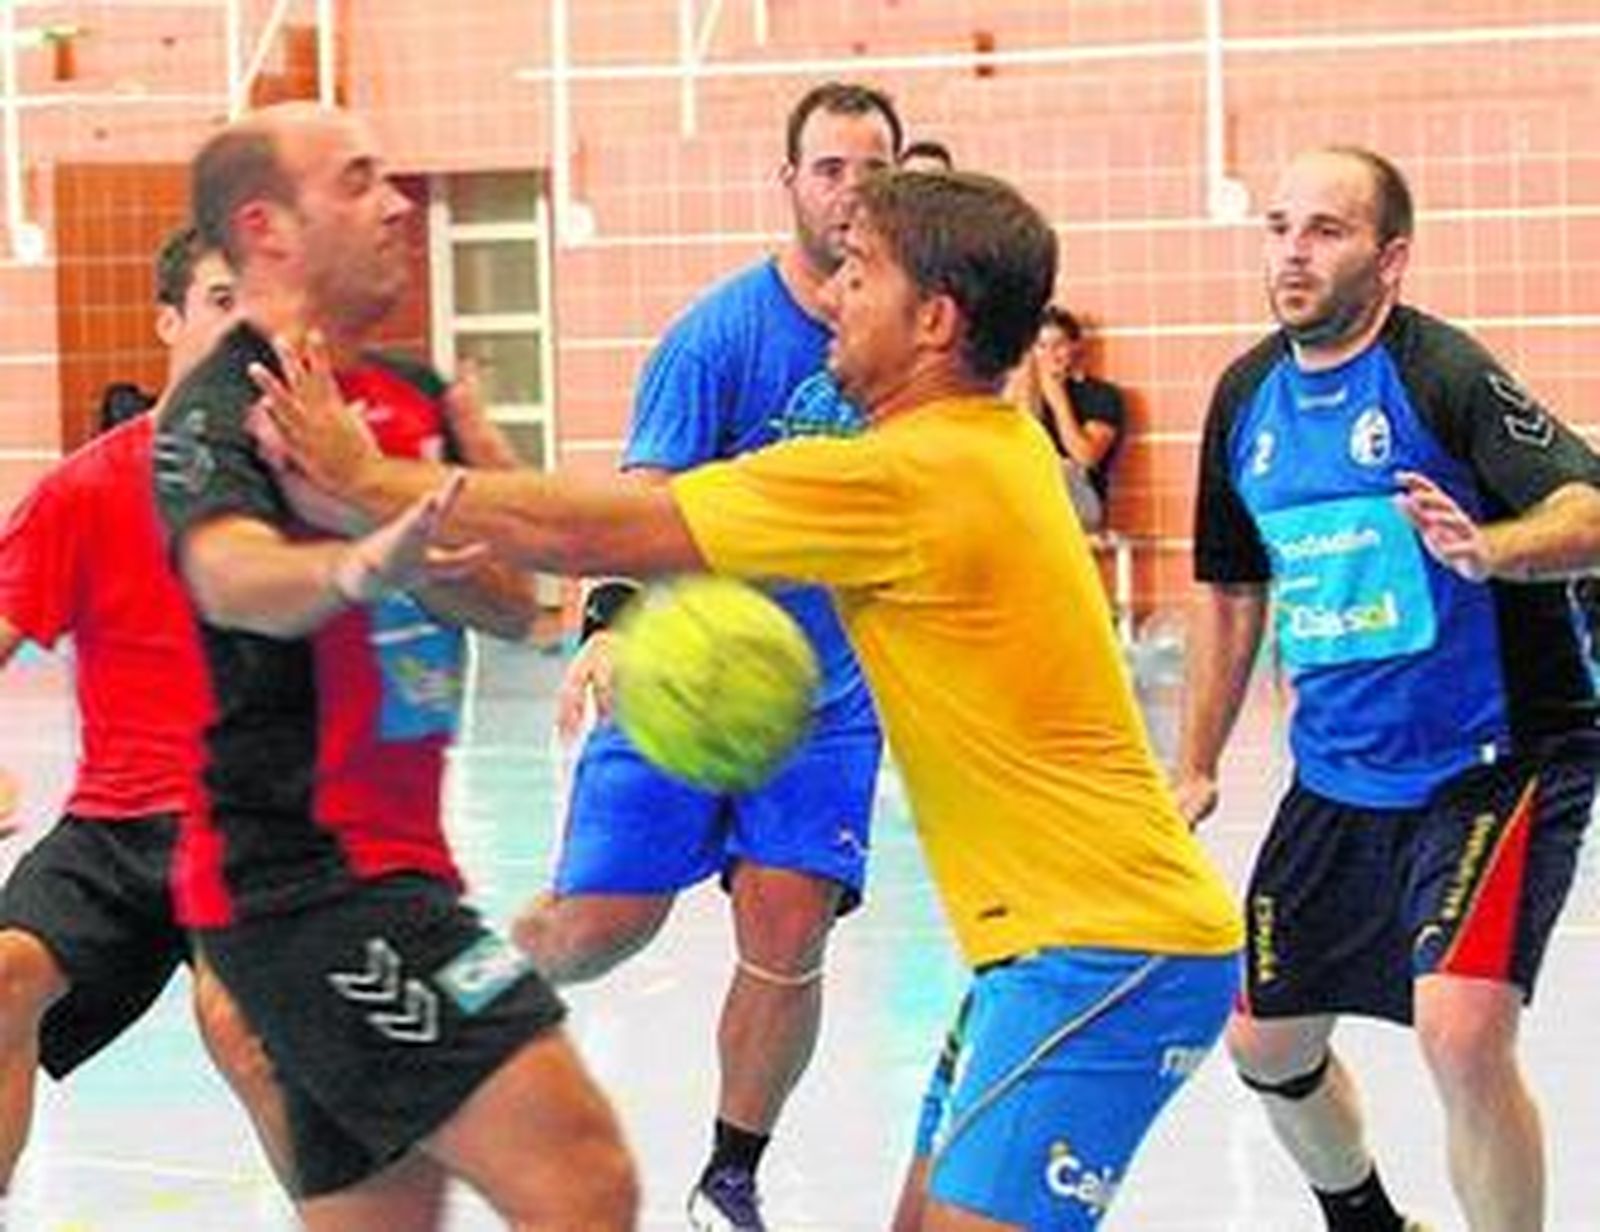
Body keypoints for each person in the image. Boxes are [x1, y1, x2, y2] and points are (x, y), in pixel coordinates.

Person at [254, 167, 1244, 1232]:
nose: (831, 295)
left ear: (936, 320)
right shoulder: (988, 450)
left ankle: (720, 1157)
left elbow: (594, 529)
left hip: (1104, 949)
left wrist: (363, 474)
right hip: (1048, 951)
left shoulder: (902, 477)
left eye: (859, 276)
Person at [152, 103, 635, 1230]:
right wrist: (363, 557)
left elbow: (521, 606)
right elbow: (229, 574)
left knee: (388, 1218)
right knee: (582, 1172)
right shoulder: (224, 407)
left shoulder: (411, 400)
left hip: (401, 872)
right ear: (268, 227)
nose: (398, 202)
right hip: (304, 890)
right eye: (361, 180)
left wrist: (420, 542)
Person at [1174, 145, 1600, 1232]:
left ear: (1389, 258)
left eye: (1325, 230)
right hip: (1338, 774)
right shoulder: (1244, 398)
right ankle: (1365, 1217)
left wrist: (1490, 549)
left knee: (1459, 1030)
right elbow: (1228, 591)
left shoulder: (1440, 375)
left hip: (1495, 761)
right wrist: (1196, 761)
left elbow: (1587, 511)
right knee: (1264, 1042)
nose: (1292, 253)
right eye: (1278, 227)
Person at [515, 80, 900, 1231]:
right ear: (787, 184)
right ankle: (456, 998)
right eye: (829, 168)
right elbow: (642, 496)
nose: (851, 192)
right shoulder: (719, 334)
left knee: (786, 930)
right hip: (684, 683)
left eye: (873, 169)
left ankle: (729, 1174)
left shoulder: (912, 340)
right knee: (596, 928)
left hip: (823, 702)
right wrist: (607, 628)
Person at [0, 225, 294, 1213]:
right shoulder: (86, 489)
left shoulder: (320, 488)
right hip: (120, 827)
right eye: (222, 302)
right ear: (169, 321)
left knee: (242, 1024)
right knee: (2, 980)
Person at [1004, 305, 1126, 534]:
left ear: (1075, 347)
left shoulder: (1103, 396)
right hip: (1026, 505)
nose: (1050, 354)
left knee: (1060, 469)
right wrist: (1029, 388)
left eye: (1058, 344)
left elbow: (1086, 456)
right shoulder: (1020, 396)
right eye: (1041, 346)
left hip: (1079, 504)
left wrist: (1057, 396)